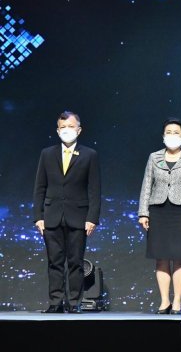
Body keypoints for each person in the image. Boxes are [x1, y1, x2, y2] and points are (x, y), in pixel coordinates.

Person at [33, 111, 101, 313]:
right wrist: (38, 217)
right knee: (54, 262)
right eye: (63, 127)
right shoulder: (47, 154)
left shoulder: (89, 155)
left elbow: (94, 189)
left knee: (75, 262)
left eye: (71, 127)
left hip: (78, 216)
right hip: (51, 216)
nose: (67, 130)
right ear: (57, 130)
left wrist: (92, 218)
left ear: (79, 130)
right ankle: (55, 302)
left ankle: (74, 302)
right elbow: (39, 187)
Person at [138, 118, 181, 315]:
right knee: (161, 258)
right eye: (169, 132)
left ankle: (177, 301)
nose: (172, 135)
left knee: (180, 258)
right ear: (163, 136)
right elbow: (146, 185)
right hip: (158, 211)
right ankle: (164, 301)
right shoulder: (154, 157)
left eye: (176, 132)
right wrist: (143, 212)